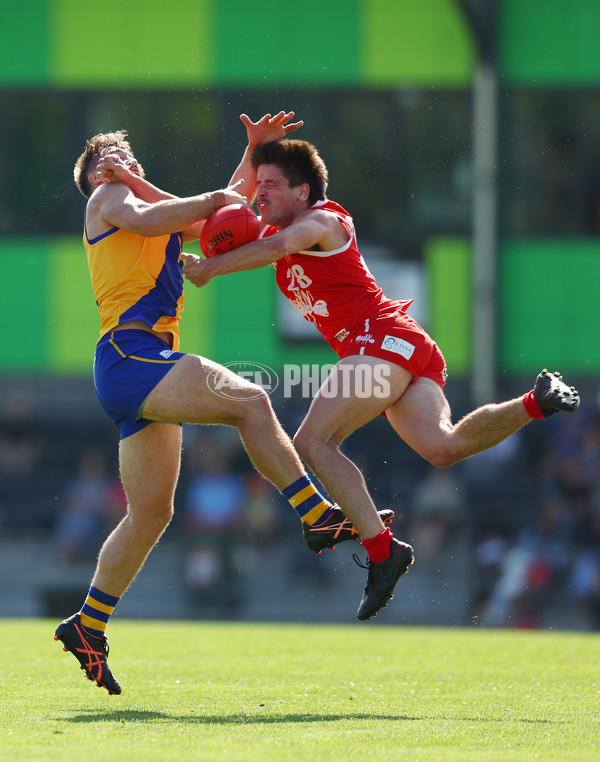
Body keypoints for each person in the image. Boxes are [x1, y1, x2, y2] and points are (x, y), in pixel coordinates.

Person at [180, 118, 581, 623]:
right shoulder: (273, 222)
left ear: (302, 191)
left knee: (311, 444)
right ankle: (538, 400)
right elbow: (214, 210)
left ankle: (383, 551)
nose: (260, 197)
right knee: (444, 448)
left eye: (272, 187)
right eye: (260, 188)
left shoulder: (321, 221)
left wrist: (211, 269)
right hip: (404, 344)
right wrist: (247, 152)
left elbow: (276, 248)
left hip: (380, 342)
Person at [54, 113, 393, 697]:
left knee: (151, 515)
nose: (129, 167)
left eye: (130, 160)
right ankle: (317, 517)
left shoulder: (146, 214)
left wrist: (252, 151)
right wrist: (198, 189)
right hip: (132, 355)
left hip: (134, 366)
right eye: (118, 161)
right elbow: (174, 210)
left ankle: (87, 623)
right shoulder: (111, 199)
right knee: (253, 401)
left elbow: (223, 214)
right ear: (100, 175)